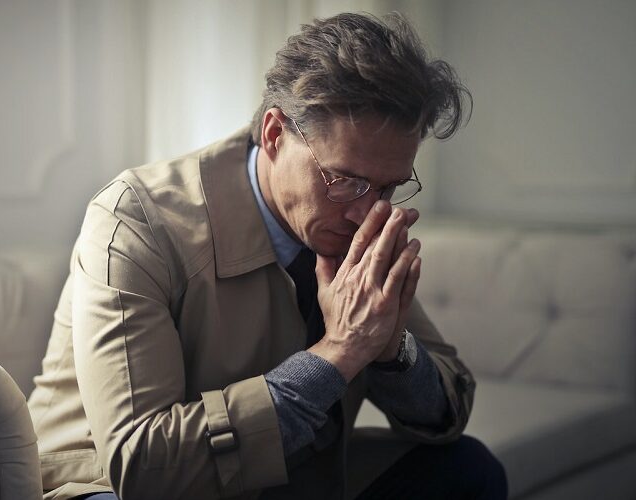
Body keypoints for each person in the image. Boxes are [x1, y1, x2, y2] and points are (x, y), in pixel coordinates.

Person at [27, 11, 508, 500]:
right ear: (275, 134)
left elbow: (449, 411)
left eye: (389, 186)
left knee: (468, 469)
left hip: (284, 478)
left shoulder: (353, 226)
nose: (368, 211)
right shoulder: (136, 219)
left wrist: (387, 347)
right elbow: (143, 466)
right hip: (105, 484)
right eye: (346, 181)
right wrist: (339, 354)